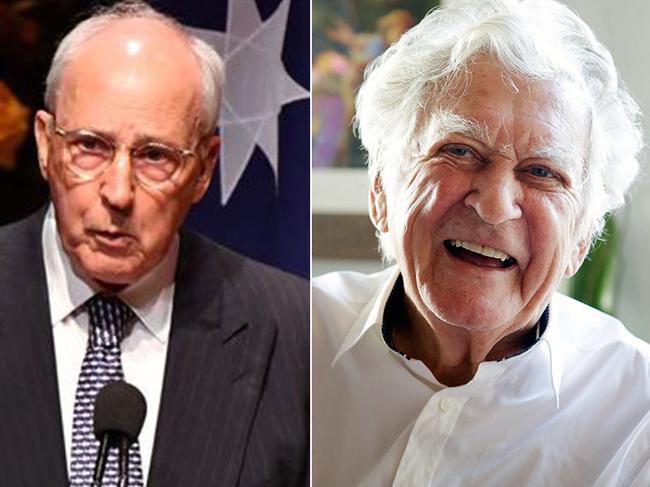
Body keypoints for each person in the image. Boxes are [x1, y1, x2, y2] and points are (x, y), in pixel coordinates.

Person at [313, 0, 650, 485]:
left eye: (541, 172)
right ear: (382, 192)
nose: (494, 205)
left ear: (581, 239)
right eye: (460, 151)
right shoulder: (287, 341)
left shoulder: (635, 419)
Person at [0, 2, 308, 486]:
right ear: (45, 144)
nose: (118, 192)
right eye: (90, 146)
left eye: (154, 156)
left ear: (204, 169)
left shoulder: (300, 334)